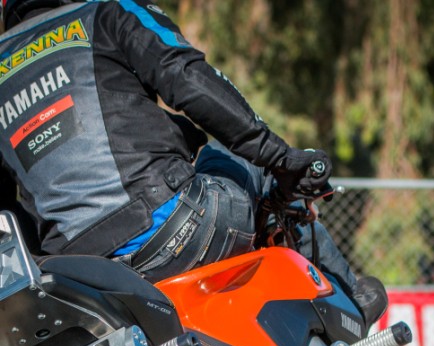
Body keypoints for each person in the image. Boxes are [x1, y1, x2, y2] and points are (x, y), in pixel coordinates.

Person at [0, 0, 385, 320]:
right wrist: (283, 159)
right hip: (178, 230)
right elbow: (187, 78)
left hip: (81, 284)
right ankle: (351, 301)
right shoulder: (106, 13)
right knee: (247, 161)